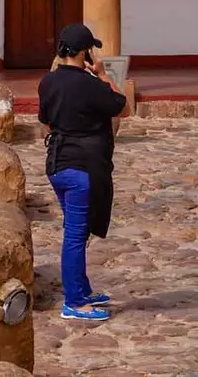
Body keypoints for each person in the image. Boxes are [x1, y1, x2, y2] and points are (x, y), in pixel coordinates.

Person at [37, 23, 127, 322]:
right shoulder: (90, 85)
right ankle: (74, 302)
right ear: (86, 52)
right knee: (75, 236)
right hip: (82, 170)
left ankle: (82, 289)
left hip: (57, 166)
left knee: (78, 230)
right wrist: (102, 74)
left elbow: (46, 122)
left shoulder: (48, 82)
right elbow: (122, 107)